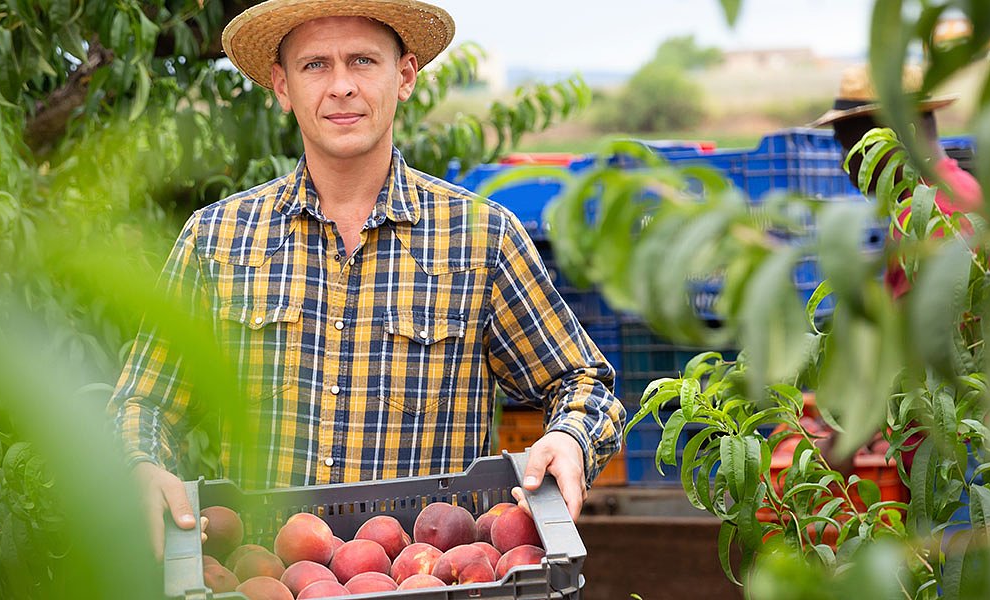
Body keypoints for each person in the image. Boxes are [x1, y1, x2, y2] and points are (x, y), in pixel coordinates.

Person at [107, 0, 624, 557]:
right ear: (282, 86)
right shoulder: (218, 241)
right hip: (268, 580)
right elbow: (144, 401)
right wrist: (141, 464)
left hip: (429, 581)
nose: (341, 86)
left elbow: (581, 383)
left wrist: (569, 439)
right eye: (314, 65)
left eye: (362, 61)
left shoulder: (481, 238)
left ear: (404, 75)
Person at [810, 64, 983, 297]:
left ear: (887, 137)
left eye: (849, 146)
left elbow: (919, 330)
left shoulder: (920, 221)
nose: (845, 164)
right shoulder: (966, 186)